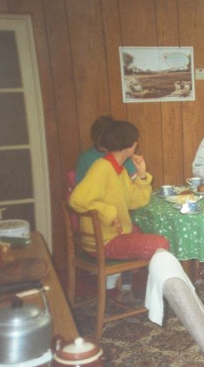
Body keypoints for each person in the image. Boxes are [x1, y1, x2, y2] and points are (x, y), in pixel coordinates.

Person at [69, 119, 170, 293]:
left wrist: (142, 175)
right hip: (103, 242)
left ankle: (138, 285)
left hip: (113, 234)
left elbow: (137, 201)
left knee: (155, 235)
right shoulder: (102, 168)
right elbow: (76, 199)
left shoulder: (119, 169)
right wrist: (108, 212)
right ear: (131, 145)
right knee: (161, 243)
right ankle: (159, 294)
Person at [75, 115, 137, 184]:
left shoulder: (122, 153)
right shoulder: (85, 158)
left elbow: (134, 179)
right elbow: (80, 185)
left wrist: (142, 175)